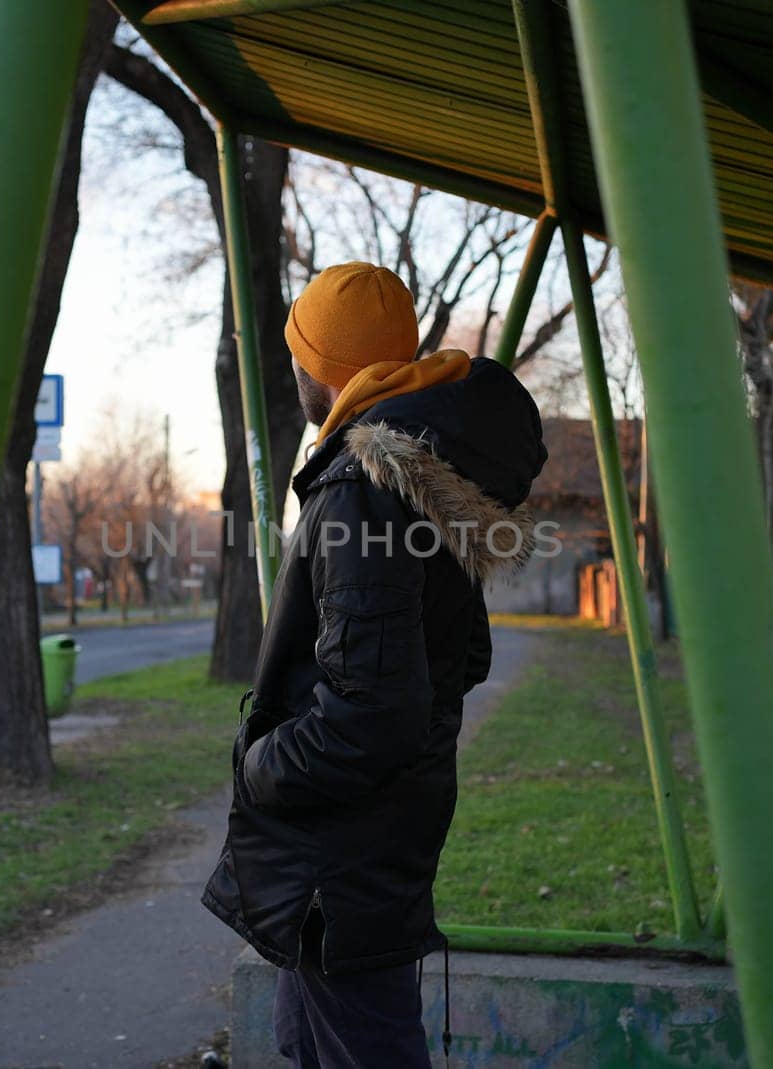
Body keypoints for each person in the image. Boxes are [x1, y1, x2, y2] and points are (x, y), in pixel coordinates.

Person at [201, 262, 548, 1067]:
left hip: (337, 856)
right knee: (314, 1043)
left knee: (363, 1049)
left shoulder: (361, 487)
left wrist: (260, 765)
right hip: (370, 835)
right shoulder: (428, 477)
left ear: (322, 369)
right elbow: (463, 656)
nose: (292, 371)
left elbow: (370, 715)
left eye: (299, 354)